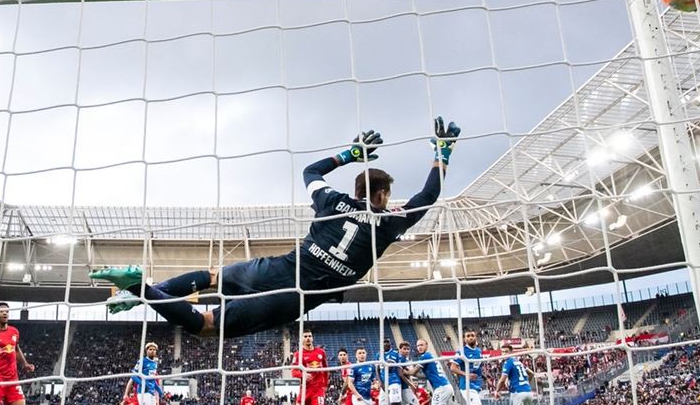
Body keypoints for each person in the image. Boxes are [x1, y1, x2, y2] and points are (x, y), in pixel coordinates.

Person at [90, 118, 461, 339]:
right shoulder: (387, 222)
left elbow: (310, 172)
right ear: (382, 195)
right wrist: (441, 153)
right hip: (291, 295)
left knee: (214, 276)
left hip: (278, 267)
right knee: (205, 325)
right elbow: (428, 194)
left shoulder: (333, 202)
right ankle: (139, 287)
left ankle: (141, 291)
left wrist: (349, 155)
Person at [289, 330, 328, 405]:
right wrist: (303, 375)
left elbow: (326, 369)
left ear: (313, 338)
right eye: (305, 336)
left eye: (310, 336)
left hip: (318, 389)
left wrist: (325, 385)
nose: (308, 338)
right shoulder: (298, 354)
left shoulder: (321, 352)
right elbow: (293, 371)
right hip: (305, 389)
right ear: (302, 339)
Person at [450, 330, 483, 405]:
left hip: (476, 387)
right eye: (468, 336)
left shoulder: (479, 351)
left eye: (472, 335)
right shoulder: (462, 352)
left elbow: (478, 370)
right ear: (464, 339)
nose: (470, 338)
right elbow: (453, 367)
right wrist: (466, 374)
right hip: (467, 387)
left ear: (476, 337)